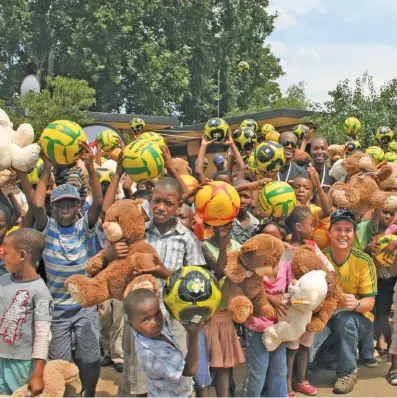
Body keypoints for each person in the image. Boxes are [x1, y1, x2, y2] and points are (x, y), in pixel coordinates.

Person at [103, 173, 206, 396]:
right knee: (137, 377)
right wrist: (112, 254)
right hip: (140, 322)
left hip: (172, 320)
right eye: (156, 200)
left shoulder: (186, 238)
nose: (160, 207)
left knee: (176, 378)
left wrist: (165, 274)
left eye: (168, 203)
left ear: (179, 205)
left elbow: (196, 284)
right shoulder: (138, 231)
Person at [20, 143, 103, 398]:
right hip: (57, 309)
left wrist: (89, 165)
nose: (66, 207)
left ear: (79, 206)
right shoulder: (48, 228)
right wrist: (46, 168)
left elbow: (98, 201)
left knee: (90, 357)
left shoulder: (82, 228)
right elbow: (35, 204)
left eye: (71, 203)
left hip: (84, 305)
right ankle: (71, 395)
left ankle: (89, 392)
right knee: (62, 364)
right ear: (53, 208)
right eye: (60, 204)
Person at [312, 209, 378, 394]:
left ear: (354, 234)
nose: (343, 234)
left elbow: (370, 302)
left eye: (348, 230)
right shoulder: (320, 259)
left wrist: (356, 304)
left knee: (344, 319)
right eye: (338, 229)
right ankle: (330, 354)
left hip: (358, 319)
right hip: (325, 318)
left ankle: (347, 372)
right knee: (313, 361)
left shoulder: (364, 261)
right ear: (329, 233)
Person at [284, 207, 336, 397]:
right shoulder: (287, 249)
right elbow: (284, 276)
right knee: (292, 346)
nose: (314, 228)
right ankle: (287, 384)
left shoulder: (313, 246)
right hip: (295, 306)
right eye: (311, 224)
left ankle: (301, 381)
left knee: (306, 344)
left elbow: (328, 266)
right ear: (298, 227)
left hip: (312, 307)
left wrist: (331, 279)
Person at [0, 228, 53, 395]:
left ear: (22, 256)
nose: (2, 256)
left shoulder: (41, 292)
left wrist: (37, 373)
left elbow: (43, 336)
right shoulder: (3, 280)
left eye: (6, 252)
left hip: (23, 365)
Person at [124, 289, 201, 397]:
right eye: (146, 320)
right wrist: (194, 337)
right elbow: (189, 371)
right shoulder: (152, 352)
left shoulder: (150, 331)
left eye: (158, 314)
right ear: (131, 325)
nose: (155, 322)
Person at [203, 223, 245, 397]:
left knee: (225, 366)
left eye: (228, 223)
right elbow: (220, 271)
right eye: (219, 223)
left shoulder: (238, 246)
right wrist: (222, 243)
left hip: (227, 315)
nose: (224, 227)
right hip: (209, 315)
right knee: (207, 366)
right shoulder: (203, 247)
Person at [367, 209, 397, 362]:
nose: (388, 216)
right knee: (373, 313)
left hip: (387, 279)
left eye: (392, 213)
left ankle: (391, 349)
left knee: (383, 316)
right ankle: (379, 345)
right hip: (371, 278)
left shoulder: (395, 230)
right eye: (385, 212)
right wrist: (369, 247)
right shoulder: (370, 227)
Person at [292, 168, 332, 250]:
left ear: (311, 195)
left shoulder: (313, 210)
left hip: (309, 250)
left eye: (306, 188)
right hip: (289, 248)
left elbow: (327, 212)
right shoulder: (286, 209)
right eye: (296, 187)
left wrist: (318, 186)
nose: (301, 190)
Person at [231, 179, 260, 245]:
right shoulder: (223, 219)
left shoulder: (256, 224)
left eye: (246, 197)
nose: (242, 200)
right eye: (238, 196)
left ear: (252, 199)